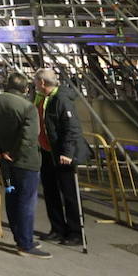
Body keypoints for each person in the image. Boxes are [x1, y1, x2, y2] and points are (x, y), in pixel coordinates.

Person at [0, 71, 49, 258]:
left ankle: (21, 238)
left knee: (11, 196)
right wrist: (13, 153)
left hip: (4, 161)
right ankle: (25, 244)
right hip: (25, 162)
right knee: (26, 202)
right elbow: (29, 137)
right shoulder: (28, 108)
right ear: (25, 89)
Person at [34, 68, 89, 247]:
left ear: (42, 83)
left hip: (62, 154)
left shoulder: (61, 100)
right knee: (50, 192)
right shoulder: (41, 98)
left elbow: (71, 128)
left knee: (69, 194)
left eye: (36, 81)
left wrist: (67, 152)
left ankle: (76, 232)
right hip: (47, 151)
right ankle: (57, 228)